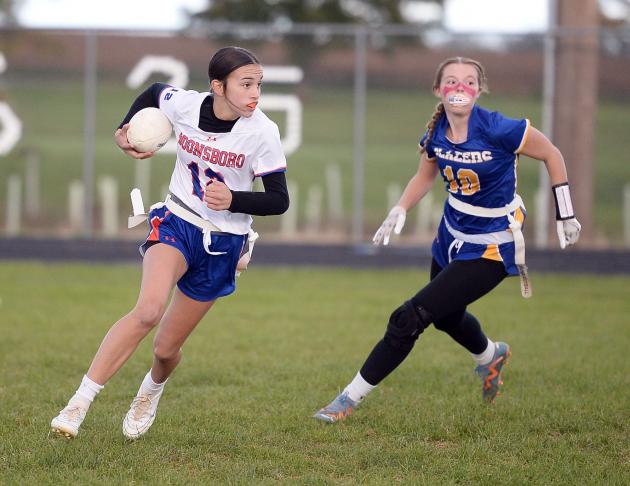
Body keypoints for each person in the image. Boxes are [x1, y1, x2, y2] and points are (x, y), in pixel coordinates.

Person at [313, 56, 581, 423]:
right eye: (451, 81)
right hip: (450, 234)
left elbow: (552, 153)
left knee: (409, 318)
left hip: (491, 243)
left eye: (468, 81)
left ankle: (346, 401)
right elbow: (425, 176)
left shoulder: (499, 128)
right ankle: (491, 356)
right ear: (439, 90)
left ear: (478, 89)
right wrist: (400, 208)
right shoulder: (437, 130)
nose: (460, 87)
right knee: (446, 317)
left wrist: (564, 210)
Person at [51, 46, 289, 439]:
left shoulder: (262, 132)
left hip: (222, 244)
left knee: (164, 351)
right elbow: (154, 91)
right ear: (218, 85)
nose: (255, 93)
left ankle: (151, 390)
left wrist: (235, 199)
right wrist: (124, 130)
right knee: (147, 311)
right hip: (177, 222)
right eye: (246, 84)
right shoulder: (187, 106)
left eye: (258, 84)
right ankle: (78, 405)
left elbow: (279, 200)